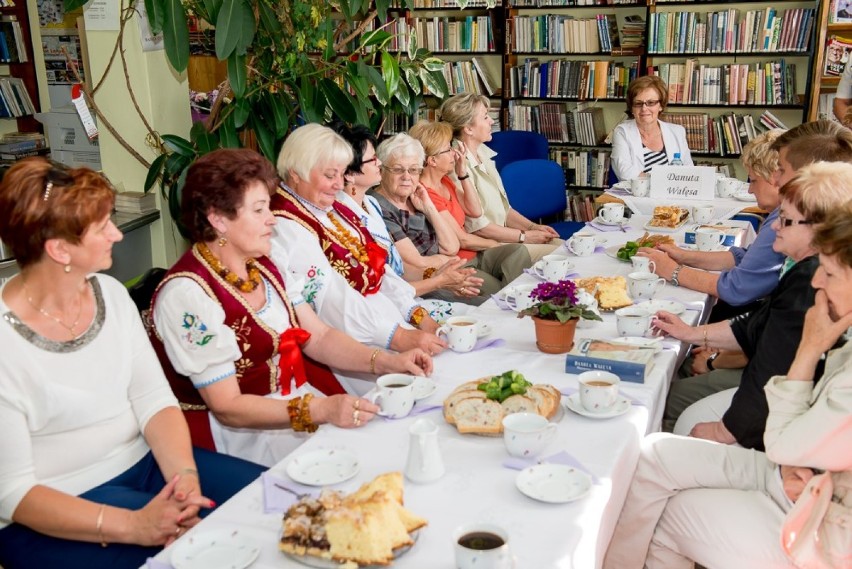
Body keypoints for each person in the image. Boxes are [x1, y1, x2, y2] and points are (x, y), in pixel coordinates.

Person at [0, 158, 264, 569]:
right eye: (102, 226)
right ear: (59, 250)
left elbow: (154, 400)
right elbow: (13, 493)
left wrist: (185, 480)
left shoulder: (110, 294)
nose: (117, 234)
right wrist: (135, 526)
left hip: (147, 466)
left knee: (268, 506)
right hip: (52, 507)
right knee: (204, 553)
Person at [604, 202, 852, 569]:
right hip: (808, 475)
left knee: (668, 515)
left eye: (829, 274)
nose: (816, 280)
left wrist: (810, 348)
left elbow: (785, 442)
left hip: (826, 518)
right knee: (654, 452)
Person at [150, 149, 432, 466]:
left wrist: (388, 363)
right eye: (258, 210)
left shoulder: (266, 264)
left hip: (294, 405)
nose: (272, 218)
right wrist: (318, 409)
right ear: (218, 219)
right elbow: (227, 406)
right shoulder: (187, 295)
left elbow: (320, 336)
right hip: (237, 439)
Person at [653, 161, 851, 448]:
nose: (775, 227)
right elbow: (758, 324)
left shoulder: (812, 279)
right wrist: (691, 333)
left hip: (781, 413)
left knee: (666, 403)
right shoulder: (804, 266)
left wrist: (725, 430)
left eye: (785, 220)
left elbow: (772, 364)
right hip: (776, 397)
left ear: (820, 229)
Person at [269, 124, 446, 365]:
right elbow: (330, 298)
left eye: (341, 175)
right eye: (330, 176)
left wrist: (421, 319)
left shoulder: (334, 207)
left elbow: (381, 269)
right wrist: (400, 337)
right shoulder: (284, 223)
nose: (339, 185)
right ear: (295, 173)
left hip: (390, 325)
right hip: (351, 346)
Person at [639, 121, 852, 313]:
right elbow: (746, 258)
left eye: (781, 170)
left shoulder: (792, 222)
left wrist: (673, 271)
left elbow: (738, 287)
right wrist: (684, 256)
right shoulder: (794, 216)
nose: (776, 179)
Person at [330, 121, 476, 321]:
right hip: (386, 311)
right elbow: (382, 287)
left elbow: (396, 272)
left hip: (410, 294)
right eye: (373, 160)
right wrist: (439, 280)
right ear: (350, 173)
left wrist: (440, 275)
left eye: (414, 170)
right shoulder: (345, 217)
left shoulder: (370, 203)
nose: (379, 163)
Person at [371, 132, 528, 304]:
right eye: (398, 169)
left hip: (448, 266)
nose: (407, 177)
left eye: (414, 170)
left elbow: (452, 246)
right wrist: (444, 261)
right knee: (492, 297)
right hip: (427, 280)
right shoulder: (380, 207)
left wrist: (429, 208)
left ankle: (521, 308)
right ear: (381, 171)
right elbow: (417, 262)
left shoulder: (415, 196)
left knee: (517, 254)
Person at [408, 120, 533, 296]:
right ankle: (515, 305)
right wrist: (497, 243)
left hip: (476, 254)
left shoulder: (445, 181)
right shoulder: (426, 193)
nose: (454, 153)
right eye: (448, 149)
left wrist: (463, 173)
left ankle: (516, 301)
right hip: (460, 262)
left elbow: (475, 211)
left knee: (518, 251)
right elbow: (462, 240)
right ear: (432, 161)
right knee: (497, 289)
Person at [439, 93, 561, 263]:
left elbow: (505, 210)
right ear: (468, 128)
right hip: (486, 249)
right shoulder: (456, 167)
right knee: (563, 254)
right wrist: (525, 236)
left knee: (565, 245)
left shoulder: (483, 153)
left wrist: (534, 227)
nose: (491, 121)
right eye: (485, 117)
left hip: (507, 239)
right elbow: (478, 228)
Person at [610, 75, 693, 181]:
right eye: (638, 103)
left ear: (661, 105)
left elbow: (689, 172)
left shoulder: (677, 132)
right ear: (631, 108)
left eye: (651, 103)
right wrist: (660, 182)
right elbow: (624, 172)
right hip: (638, 195)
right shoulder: (622, 132)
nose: (644, 108)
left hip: (673, 194)